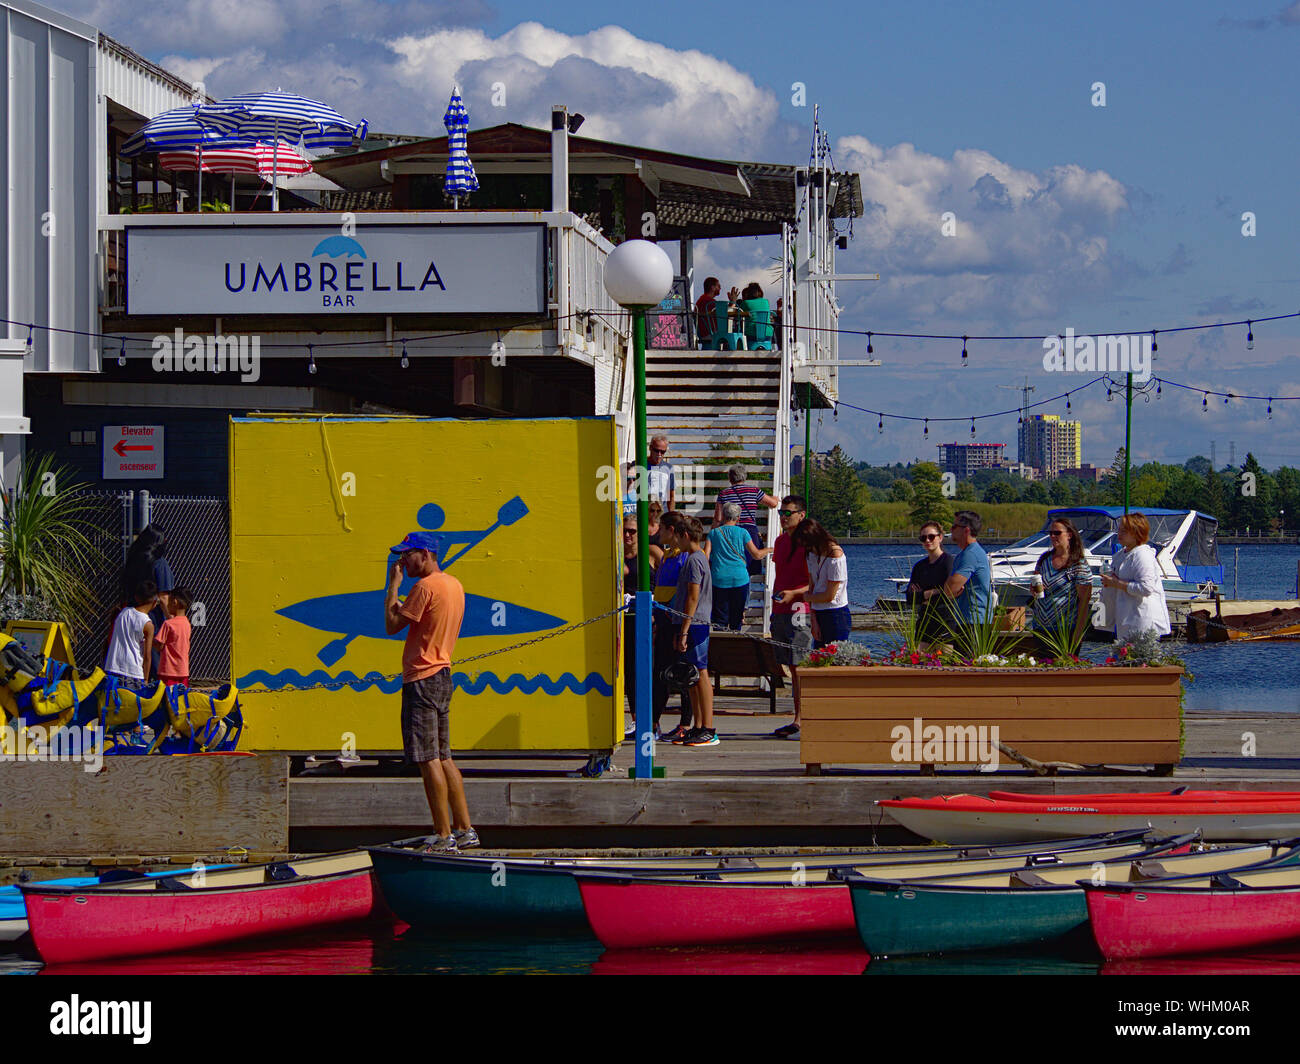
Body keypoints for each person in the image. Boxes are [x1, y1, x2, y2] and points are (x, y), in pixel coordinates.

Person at [384, 530, 477, 853]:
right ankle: (465, 828)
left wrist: (393, 587)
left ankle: (443, 833)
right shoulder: (454, 584)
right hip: (443, 673)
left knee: (427, 759)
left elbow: (392, 624)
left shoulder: (424, 587)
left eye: (407, 555)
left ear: (425, 554)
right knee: (445, 755)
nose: (402, 561)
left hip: (421, 677)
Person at [664, 514, 717, 746]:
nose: (675, 541)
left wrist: (684, 628)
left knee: (701, 673)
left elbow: (693, 596)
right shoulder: (692, 558)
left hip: (695, 624)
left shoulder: (695, 559)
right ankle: (697, 725)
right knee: (692, 675)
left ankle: (708, 726)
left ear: (685, 536)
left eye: (677, 536)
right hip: (689, 623)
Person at [769, 495, 812, 739]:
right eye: (781, 513)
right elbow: (779, 574)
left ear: (801, 515)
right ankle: (797, 718)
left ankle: (801, 719)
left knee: (800, 664)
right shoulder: (781, 541)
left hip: (800, 609)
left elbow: (815, 582)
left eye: (788, 513)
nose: (784, 518)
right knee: (789, 665)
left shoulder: (809, 544)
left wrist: (794, 594)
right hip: (781, 609)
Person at [652, 512, 694, 737]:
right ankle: (653, 722)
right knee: (660, 672)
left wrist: (678, 623)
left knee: (681, 672)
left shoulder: (683, 556)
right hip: (662, 617)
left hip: (673, 619)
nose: (657, 532)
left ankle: (685, 724)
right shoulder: (668, 554)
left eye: (661, 528)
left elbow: (686, 590)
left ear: (671, 530)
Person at [1100, 512, 1171, 642]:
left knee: (1141, 659)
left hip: (1143, 621)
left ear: (1137, 533)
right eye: (1119, 530)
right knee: (1125, 658)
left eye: (1124, 531)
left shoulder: (1142, 555)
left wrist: (1117, 583)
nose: (1119, 534)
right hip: (1126, 619)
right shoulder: (1121, 555)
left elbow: (1146, 588)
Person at [780, 518, 850, 647]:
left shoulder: (835, 555)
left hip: (835, 613)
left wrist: (807, 597)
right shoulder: (811, 553)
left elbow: (829, 596)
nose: (807, 548)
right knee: (818, 656)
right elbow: (812, 584)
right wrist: (813, 617)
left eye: (807, 545)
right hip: (818, 611)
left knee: (835, 658)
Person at [1029, 516, 1093, 649]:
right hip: (1041, 628)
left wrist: (1078, 634)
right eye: (1050, 533)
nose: (1052, 536)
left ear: (1069, 535)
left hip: (1066, 630)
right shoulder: (1044, 559)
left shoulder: (1078, 564)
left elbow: (1084, 600)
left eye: (1057, 533)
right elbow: (1035, 586)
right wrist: (1033, 590)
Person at [708, 502, 771, 630]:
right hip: (740, 579)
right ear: (738, 518)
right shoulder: (743, 532)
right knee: (736, 618)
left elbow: (706, 557)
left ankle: (720, 644)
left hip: (719, 578)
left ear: (724, 515)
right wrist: (770, 549)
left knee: (719, 619)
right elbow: (757, 555)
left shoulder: (713, 533)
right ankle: (735, 644)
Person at [123, 524, 174, 677]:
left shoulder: (133, 559)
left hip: (130, 615)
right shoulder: (159, 563)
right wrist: (171, 619)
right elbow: (164, 597)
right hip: (152, 619)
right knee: (153, 661)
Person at [943, 510, 993, 631]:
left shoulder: (970, 554)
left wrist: (951, 590)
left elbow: (949, 589)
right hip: (966, 620)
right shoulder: (965, 554)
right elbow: (950, 590)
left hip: (974, 622)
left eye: (955, 526)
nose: (951, 529)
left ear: (966, 530)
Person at [906, 521, 954, 646]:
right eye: (923, 538)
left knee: (944, 661)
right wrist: (931, 592)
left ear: (940, 538)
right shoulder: (919, 566)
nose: (927, 540)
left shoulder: (948, 562)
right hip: (924, 621)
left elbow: (949, 592)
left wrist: (922, 594)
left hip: (945, 621)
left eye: (931, 537)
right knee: (919, 659)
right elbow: (910, 598)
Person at [105, 580, 158, 692]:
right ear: (154, 602)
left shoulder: (123, 613)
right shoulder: (148, 625)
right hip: (133, 673)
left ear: (137, 597)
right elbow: (147, 655)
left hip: (113, 668)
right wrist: (146, 679)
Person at [154, 586, 193, 688]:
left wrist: (147, 640)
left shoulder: (168, 624)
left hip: (167, 671)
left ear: (174, 602)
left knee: (166, 700)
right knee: (180, 699)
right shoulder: (187, 624)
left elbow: (159, 646)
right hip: (183, 671)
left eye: (169, 601)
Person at [694, 276, 723, 348]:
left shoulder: (701, 300)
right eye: (718, 286)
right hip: (710, 334)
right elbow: (724, 314)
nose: (720, 288)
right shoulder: (709, 302)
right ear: (712, 287)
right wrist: (733, 302)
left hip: (702, 334)